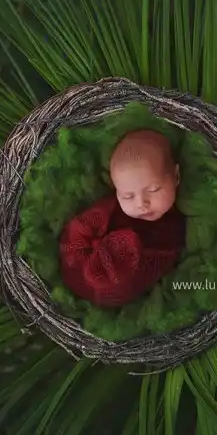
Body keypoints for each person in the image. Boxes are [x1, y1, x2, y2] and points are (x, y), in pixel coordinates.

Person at [59, 129, 186, 307]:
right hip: (81, 265)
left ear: (176, 176)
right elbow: (78, 229)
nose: (141, 204)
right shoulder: (111, 210)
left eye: (153, 190)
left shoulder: (177, 224)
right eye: (127, 196)